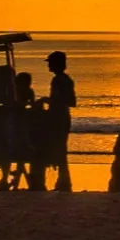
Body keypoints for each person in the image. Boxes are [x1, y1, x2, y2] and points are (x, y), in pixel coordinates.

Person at [46, 51, 76, 192]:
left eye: (51, 63)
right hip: (64, 116)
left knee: (59, 149)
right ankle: (63, 181)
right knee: (61, 149)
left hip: (58, 117)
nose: (49, 66)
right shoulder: (67, 79)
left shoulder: (57, 80)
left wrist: (46, 101)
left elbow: (58, 99)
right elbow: (72, 101)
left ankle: (63, 182)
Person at [8, 71, 35, 190]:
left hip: (18, 118)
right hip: (19, 119)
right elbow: (32, 105)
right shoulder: (24, 91)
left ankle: (17, 180)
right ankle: (22, 180)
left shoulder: (16, 91)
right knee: (21, 147)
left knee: (19, 151)